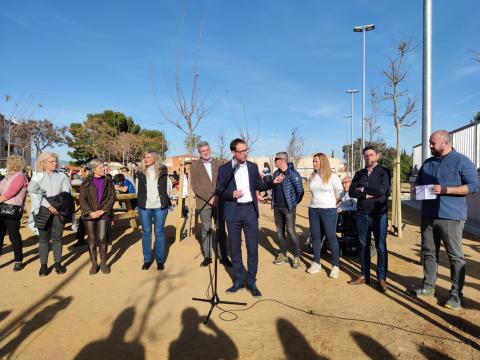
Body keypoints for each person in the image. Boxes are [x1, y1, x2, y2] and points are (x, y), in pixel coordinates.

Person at [409, 130, 479, 309]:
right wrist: (417, 190)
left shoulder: (461, 161)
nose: (430, 146)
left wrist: (446, 190)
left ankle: (456, 294)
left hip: (451, 216)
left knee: (455, 256)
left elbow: (473, 186)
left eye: (433, 143)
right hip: (428, 214)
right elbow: (419, 184)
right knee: (428, 252)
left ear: (445, 142)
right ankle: (428, 286)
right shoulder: (428, 162)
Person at [216, 138, 284, 297]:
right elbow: (218, 190)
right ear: (233, 152)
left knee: (252, 248)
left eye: (246, 150)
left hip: (250, 212)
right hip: (233, 212)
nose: (245, 153)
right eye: (241, 151)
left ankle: (252, 281)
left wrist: (273, 182)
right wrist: (231, 194)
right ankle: (239, 280)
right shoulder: (224, 169)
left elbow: (259, 186)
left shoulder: (253, 167)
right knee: (235, 248)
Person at [348, 146, 391, 292]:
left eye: (371, 155)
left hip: (379, 215)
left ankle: (381, 278)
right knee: (363, 245)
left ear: (377, 156)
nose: (368, 157)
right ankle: (364, 275)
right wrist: (365, 194)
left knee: (380, 247)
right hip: (362, 214)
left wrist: (363, 189)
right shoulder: (359, 173)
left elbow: (381, 191)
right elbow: (351, 192)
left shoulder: (384, 172)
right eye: (366, 155)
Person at [28, 152, 72, 276]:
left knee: (57, 238)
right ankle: (43, 266)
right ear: (43, 163)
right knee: (43, 239)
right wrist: (48, 205)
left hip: (59, 211)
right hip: (42, 210)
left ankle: (58, 264)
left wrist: (57, 206)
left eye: (55, 161)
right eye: (51, 161)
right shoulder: (37, 176)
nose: (55, 163)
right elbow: (35, 194)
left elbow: (65, 193)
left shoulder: (62, 176)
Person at [190, 141, 231, 267]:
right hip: (204, 203)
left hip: (219, 202)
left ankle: (223, 256)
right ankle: (207, 256)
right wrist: (209, 198)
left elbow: (223, 183)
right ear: (199, 152)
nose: (205, 152)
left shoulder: (219, 164)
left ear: (210, 150)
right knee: (206, 229)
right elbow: (195, 186)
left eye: (207, 150)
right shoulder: (194, 165)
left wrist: (217, 197)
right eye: (202, 151)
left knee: (220, 229)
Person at [306, 153, 343, 278]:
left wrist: (335, 203)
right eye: (313, 161)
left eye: (315, 161)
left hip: (329, 211)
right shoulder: (313, 176)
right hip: (313, 210)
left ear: (322, 162)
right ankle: (316, 262)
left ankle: (335, 266)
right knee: (316, 238)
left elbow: (340, 192)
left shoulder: (332, 177)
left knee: (331, 237)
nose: (313, 163)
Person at [79, 159, 116, 274]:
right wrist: (90, 212)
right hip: (89, 214)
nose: (104, 169)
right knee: (92, 239)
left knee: (102, 238)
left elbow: (112, 197)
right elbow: (82, 199)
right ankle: (94, 263)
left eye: (103, 167)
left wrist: (103, 210)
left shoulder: (108, 181)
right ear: (94, 169)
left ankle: (103, 262)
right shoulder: (86, 182)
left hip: (104, 214)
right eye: (101, 167)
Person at [136, 152, 172, 271]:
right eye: (144, 157)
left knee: (159, 232)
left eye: (148, 157)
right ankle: (147, 260)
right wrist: (140, 201)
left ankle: (160, 260)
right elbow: (138, 188)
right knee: (146, 232)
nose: (145, 159)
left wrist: (165, 200)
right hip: (144, 207)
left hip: (160, 207)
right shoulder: (140, 171)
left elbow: (168, 186)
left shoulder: (163, 170)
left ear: (155, 158)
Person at [270, 152, 304, 269]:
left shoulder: (293, 174)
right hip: (277, 207)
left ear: (281, 160)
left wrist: (293, 203)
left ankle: (296, 256)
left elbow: (300, 191)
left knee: (291, 231)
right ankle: (283, 254)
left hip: (289, 208)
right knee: (280, 232)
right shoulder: (276, 173)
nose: (274, 161)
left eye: (276, 159)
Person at [0, 156, 29, 271]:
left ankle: (18, 260)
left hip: (12, 210)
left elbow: (10, 193)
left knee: (14, 236)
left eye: (8, 162)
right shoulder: (7, 177)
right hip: (2, 209)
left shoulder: (20, 176)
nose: (7, 164)